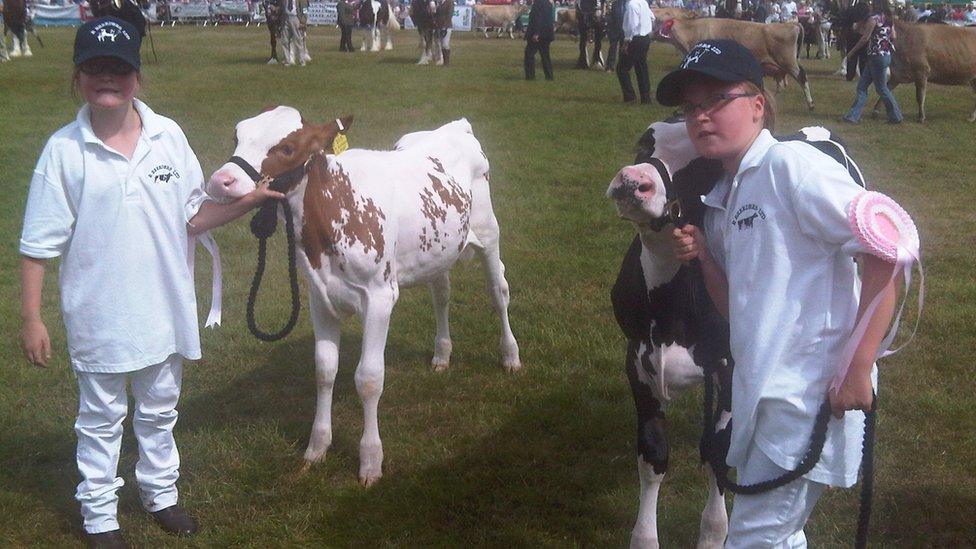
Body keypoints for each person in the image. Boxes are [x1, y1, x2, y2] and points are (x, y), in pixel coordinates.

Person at [19, 17, 283, 548]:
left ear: (137, 76)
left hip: (165, 306)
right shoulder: (64, 151)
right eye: (95, 68)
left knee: (160, 408)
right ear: (78, 77)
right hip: (99, 315)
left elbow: (191, 217)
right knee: (101, 418)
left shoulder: (168, 136)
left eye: (119, 69)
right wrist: (31, 317)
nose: (108, 79)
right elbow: (37, 245)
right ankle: (99, 516)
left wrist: (247, 201)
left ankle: (161, 493)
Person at [656, 39, 903, 547]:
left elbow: (889, 244)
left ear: (757, 104)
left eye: (716, 100)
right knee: (781, 536)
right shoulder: (727, 196)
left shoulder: (790, 166)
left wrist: (858, 367)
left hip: (803, 396)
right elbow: (738, 310)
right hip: (759, 395)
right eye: (690, 107)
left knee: (754, 538)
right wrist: (705, 256)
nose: (700, 117)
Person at [842, 0, 903, 123]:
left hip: (875, 56)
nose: (870, 5)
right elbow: (894, 37)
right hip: (885, 55)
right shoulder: (889, 19)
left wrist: (852, 52)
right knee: (862, 87)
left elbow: (865, 38)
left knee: (881, 88)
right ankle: (853, 116)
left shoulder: (873, 19)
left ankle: (896, 116)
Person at [616, 0, 654, 103]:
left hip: (635, 39)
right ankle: (646, 98)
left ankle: (630, 97)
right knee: (641, 68)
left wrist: (627, 41)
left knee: (622, 69)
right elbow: (652, 17)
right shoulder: (643, 2)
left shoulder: (632, 5)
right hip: (645, 38)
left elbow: (632, 25)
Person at [524, 0, 555, 80]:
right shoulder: (548, 3)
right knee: (545, 55)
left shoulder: (538, 3)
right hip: (547, 33)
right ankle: (549, 76)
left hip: (538, 34)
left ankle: (530, 76)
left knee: (529, 54)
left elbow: (538, 18)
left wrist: (536, 33)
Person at [279, 0, 310, 66]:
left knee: (298, 40)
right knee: (285, 41)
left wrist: (303, 21)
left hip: (296, 18)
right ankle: (287, 60)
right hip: (285, 18)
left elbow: (305, 10)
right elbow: (281, 9)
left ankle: (302, 60)